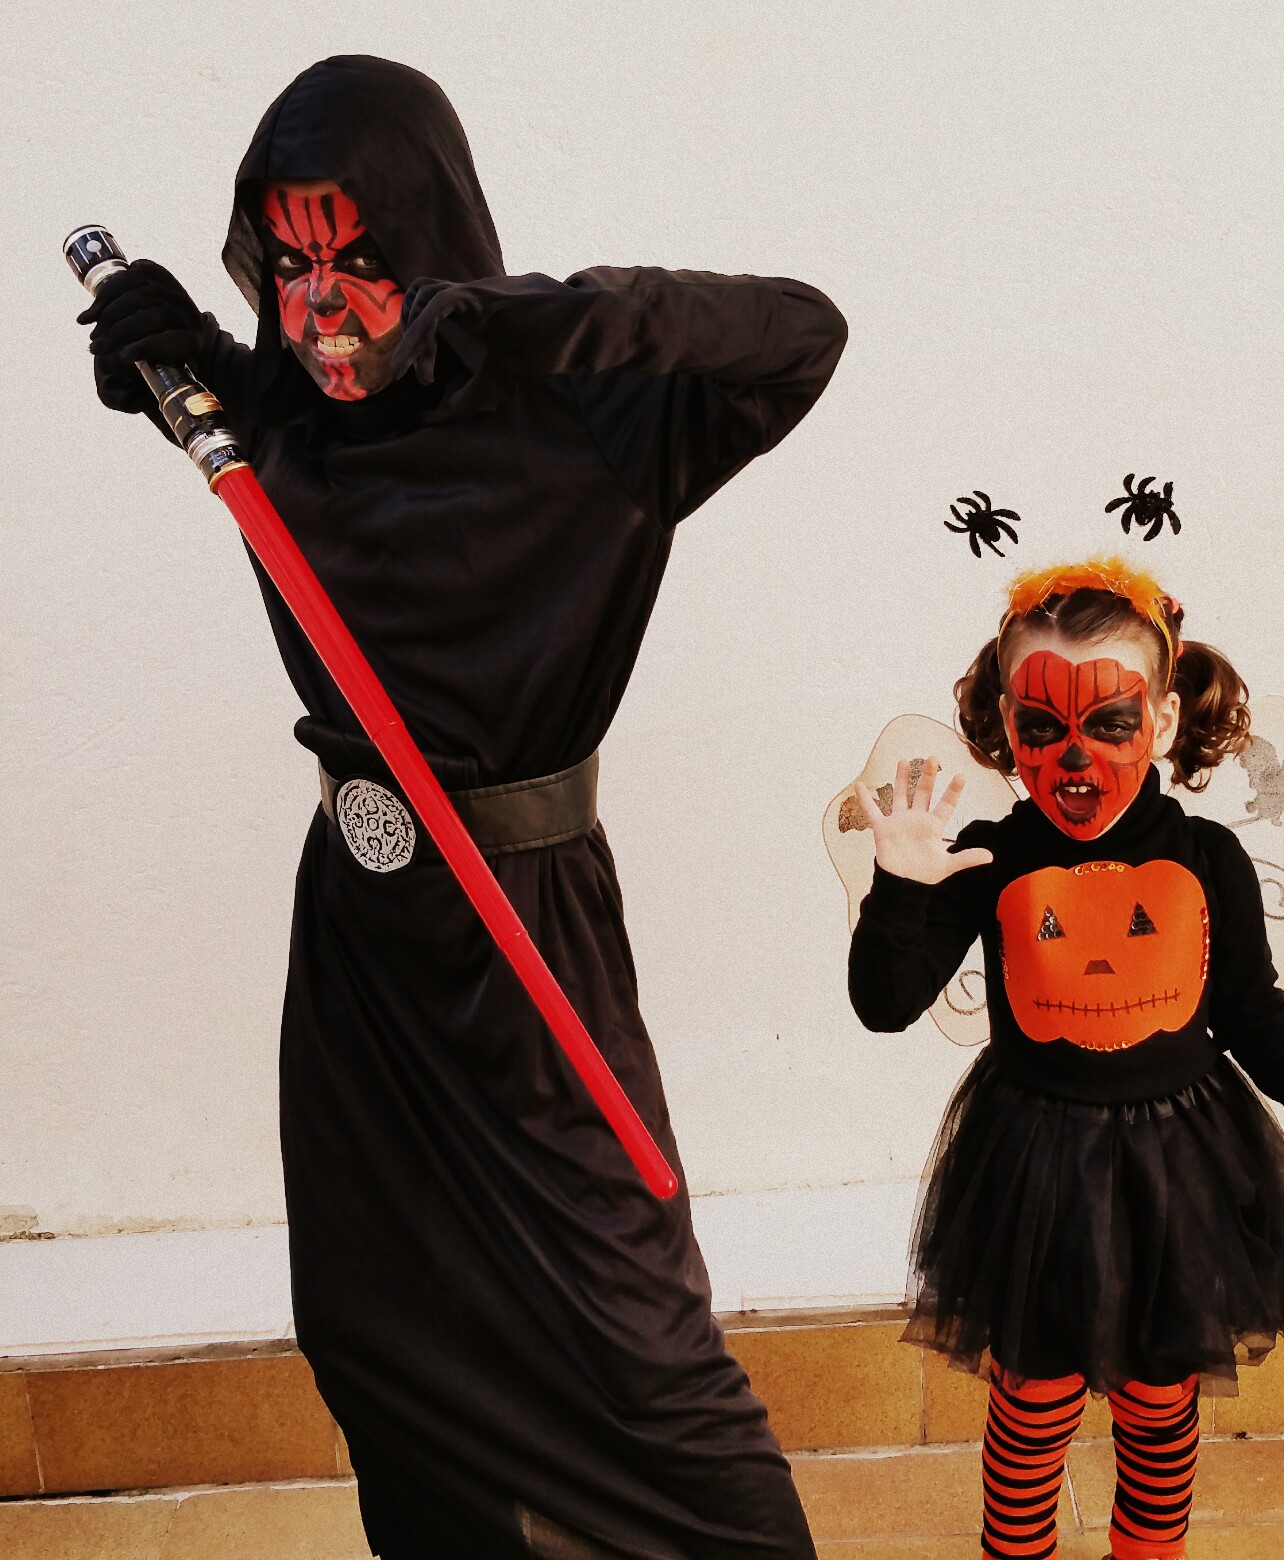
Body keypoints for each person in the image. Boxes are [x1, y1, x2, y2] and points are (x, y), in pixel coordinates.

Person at [78, 53, 845, 1560]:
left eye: (358, 258)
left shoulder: (592, 423)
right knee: (372, 1326)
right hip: (360, 938)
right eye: (286, 264)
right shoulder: (270, 415)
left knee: (639, 1348)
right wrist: (162, 351)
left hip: (526, 934)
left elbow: (801, 335)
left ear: (434, 243)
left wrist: (535, 319)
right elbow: (222, 382)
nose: (321, 308)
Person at [847, 556, 1284, 1560]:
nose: (1074, 755)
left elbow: (1253, 1016)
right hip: (1032, 1166)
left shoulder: (1208, 860)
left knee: (1160, 1401)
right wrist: (900, 888)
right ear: (1007, 724)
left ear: (1159, 718)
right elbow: (884, 1006)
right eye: (1041, 725)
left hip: (1178, 1171)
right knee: (1033, 1400)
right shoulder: (986, 855)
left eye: (1109, 722)